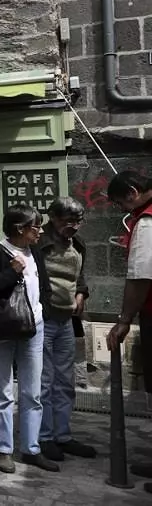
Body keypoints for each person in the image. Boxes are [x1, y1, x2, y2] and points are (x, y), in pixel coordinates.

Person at [0, 204, 56, 474]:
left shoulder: (35, 252)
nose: (41, 231)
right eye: (36, 226)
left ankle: (31, 449)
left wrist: (45, 309)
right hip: (2, 330)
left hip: (34, 328)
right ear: (20, 228)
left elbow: (43, 286)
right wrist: (11, 272)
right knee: (2, 392)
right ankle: (4, 450)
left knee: (33, 392)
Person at [36, 197, 95, 462]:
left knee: (65, 380)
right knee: (45, 381)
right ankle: (45, 436)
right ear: (53, 218)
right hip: (44, 319)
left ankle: (63, 435)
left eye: (78, 221)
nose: (73, 226)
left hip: (66, 320)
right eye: (68, 221)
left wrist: (81, 293)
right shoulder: (38, 242)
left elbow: (79, 277)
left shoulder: (78, 244)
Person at [104, 171, 152, 493]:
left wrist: (124, 319)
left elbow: (140, 276)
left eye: (121, 202)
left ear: (133, 192)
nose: (122, 209)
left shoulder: (146, 222)